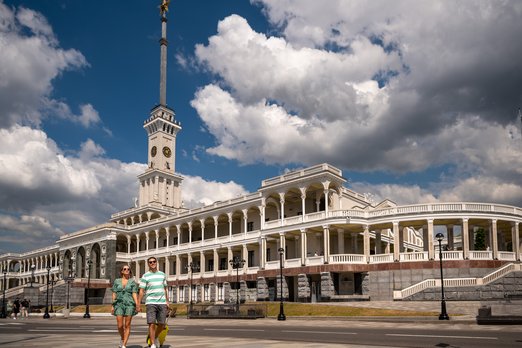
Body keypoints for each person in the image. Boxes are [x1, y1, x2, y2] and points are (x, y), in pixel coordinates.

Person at [138, 257, 169, 348]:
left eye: (154, 261)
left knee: (162, 324)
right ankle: (153, 344)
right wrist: (138, 304)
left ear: (156, 262)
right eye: (150, 262)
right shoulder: (145, 276)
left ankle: (154, 337)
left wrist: (167, 301)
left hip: (162, 302)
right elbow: (141, 290)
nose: (152, 263)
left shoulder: (162, 275)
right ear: (148, 264)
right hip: (150, 302)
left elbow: (165, 288)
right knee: (151, 323)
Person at [111, 265, 139, 348]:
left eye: (128, 269)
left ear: (130, 271)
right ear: (122, 271)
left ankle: (124, 345)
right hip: (119, 304)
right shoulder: (117, 281)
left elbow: (134, 293)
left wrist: (137, 304)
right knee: (120, 325)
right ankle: (123, 338)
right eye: (125, 269)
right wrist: (113, 305)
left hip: (129, 304)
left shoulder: (132, 282)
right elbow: (114, 293)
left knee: (127, 325)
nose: (127, 270)